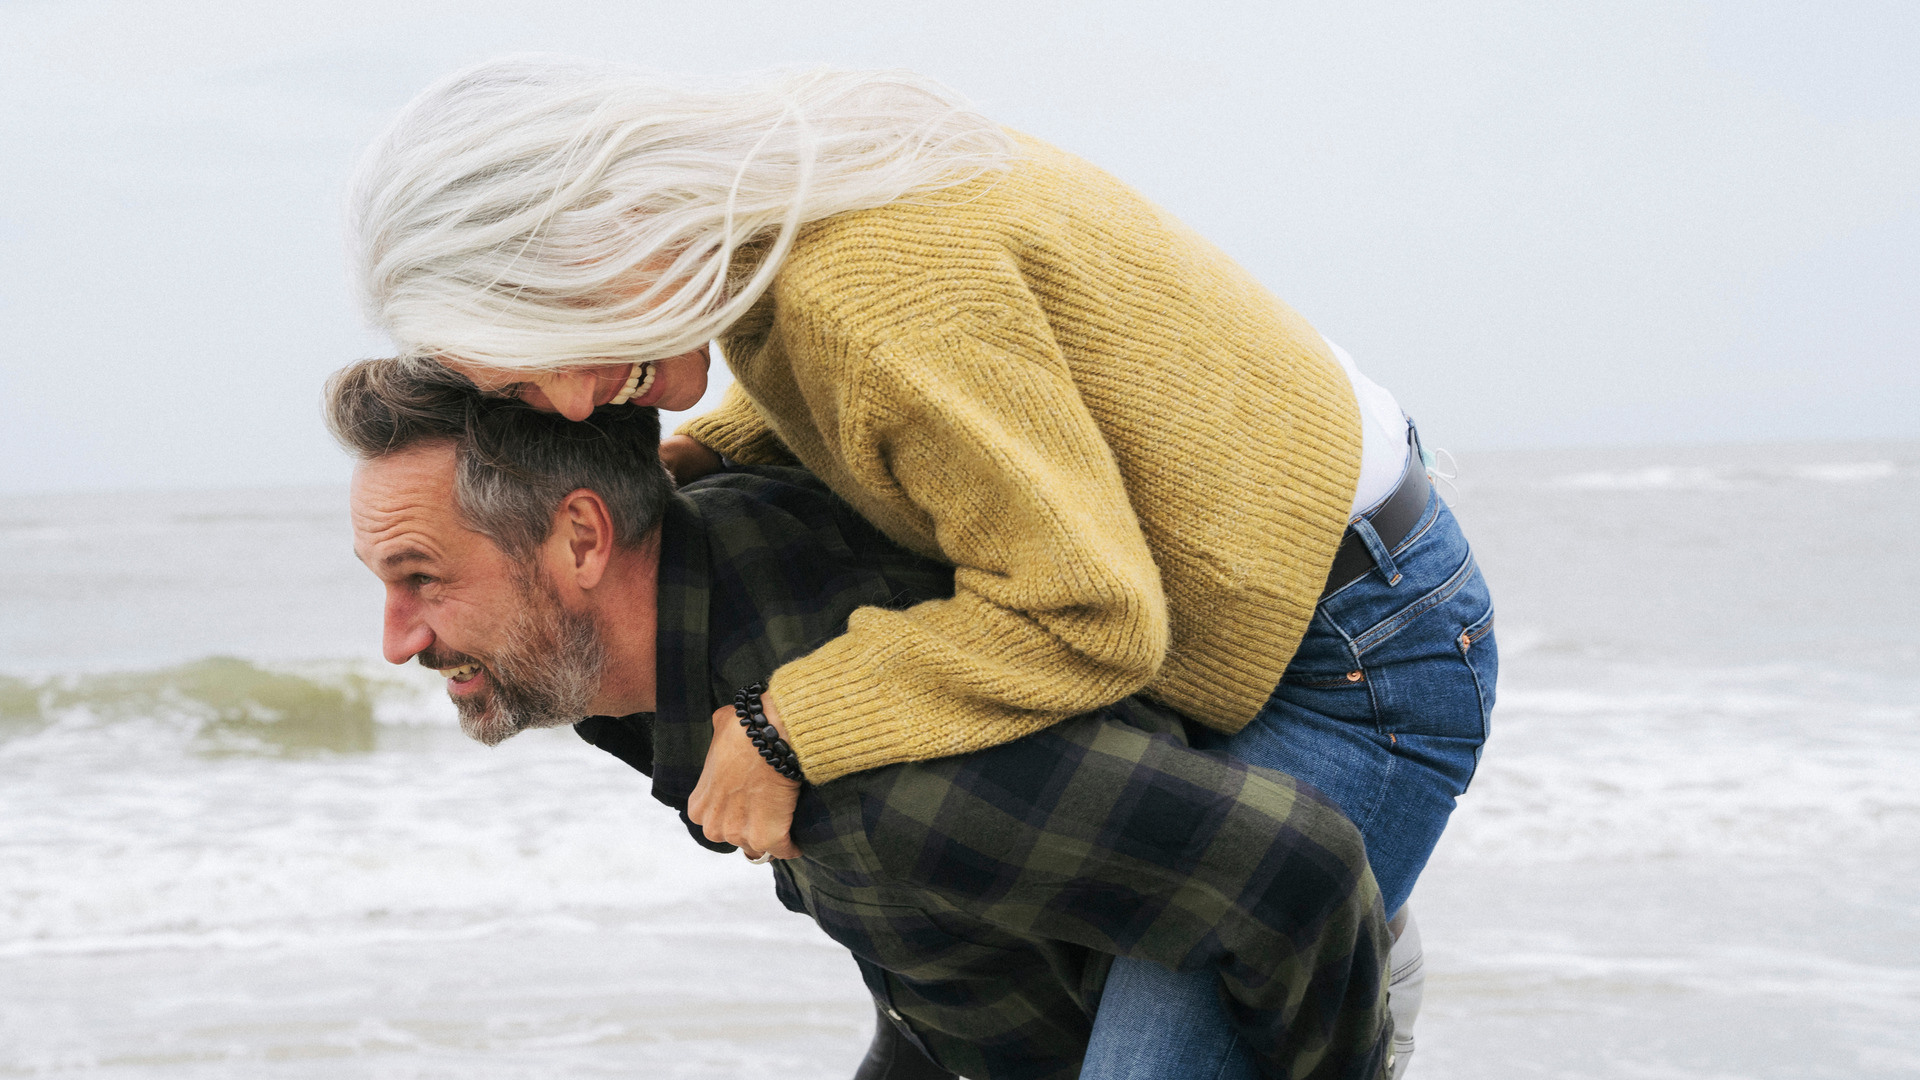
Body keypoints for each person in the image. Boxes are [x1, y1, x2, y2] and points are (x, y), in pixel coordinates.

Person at [349, 56, 1497, 1078]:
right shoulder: (771, 209)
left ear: (580, 247)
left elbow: (1091, 616)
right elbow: (884, 399)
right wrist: (704, 454)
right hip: (1274, 583)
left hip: (1356, 654)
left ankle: (1367, 981)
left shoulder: (869, 282)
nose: (557, 406)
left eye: (528, 362)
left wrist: (780, 725)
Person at [326, 360, 1392, 1080]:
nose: (398, 639)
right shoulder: (656, 637)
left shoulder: (878, 787)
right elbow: (930, 957)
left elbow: (1300, 875)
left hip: (1253, 972)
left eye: (422, 580)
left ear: (582, 540)